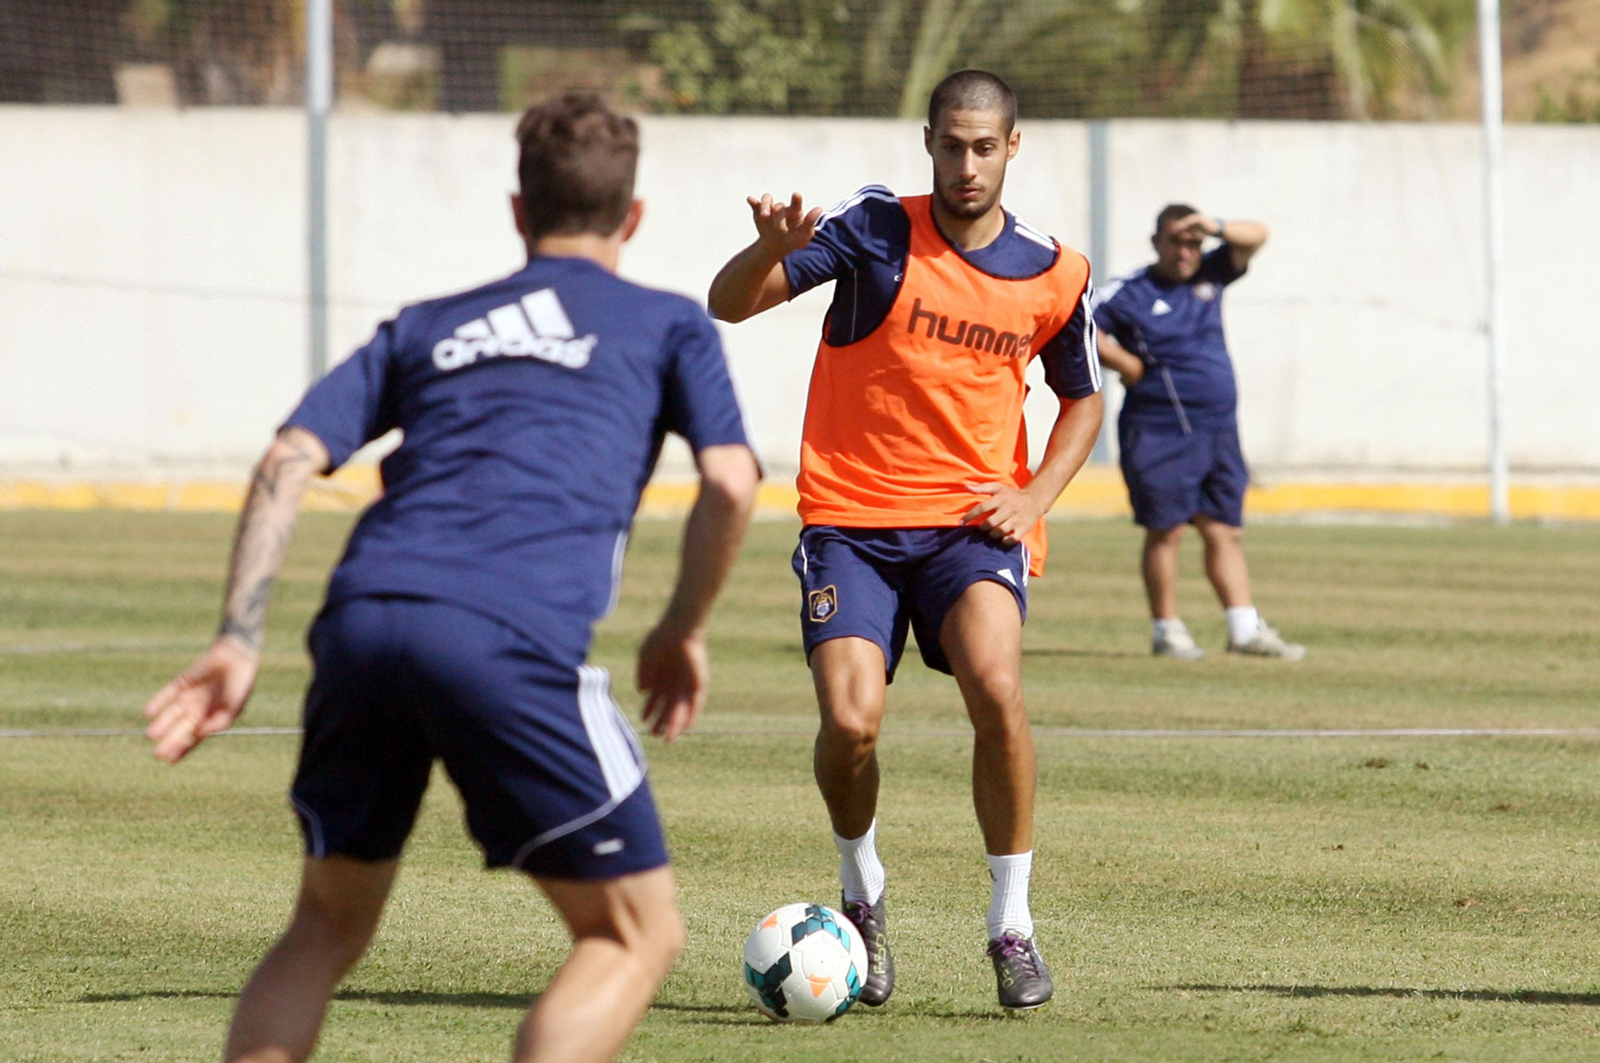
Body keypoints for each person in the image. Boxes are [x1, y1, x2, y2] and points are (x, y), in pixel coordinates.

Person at [142, 92, 760, 1063]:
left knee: (324, 927)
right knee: (635, 933)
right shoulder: (668, 324)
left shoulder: (428, 324)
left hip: (360, 617)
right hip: (499, 635)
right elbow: (730, 481)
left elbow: (287, 459)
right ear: (632, 217)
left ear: (518, 211)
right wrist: (681, 626)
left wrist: (238, 636)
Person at [706, 70, 1103, 1011]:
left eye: (985, 146)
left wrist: (1035, 493)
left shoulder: (1056, 270)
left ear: (1013, 148)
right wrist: (764, 249)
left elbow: (1084, 398)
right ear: (928, 141)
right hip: (850, 520)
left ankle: (1012, 924)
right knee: (850, 725)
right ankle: (862, 895)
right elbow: (730, 303)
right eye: (951, 144)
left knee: (997, 688)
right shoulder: (876, 227)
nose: (967, 164)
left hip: (971, 529)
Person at [1094, 206, 1304, 660]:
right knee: (1165, 530)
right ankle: (1167, 630)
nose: (1186, 251)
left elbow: (1258, 234)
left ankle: (1243, 629)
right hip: (1159, 429)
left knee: (1224, 530)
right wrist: (1125, 363)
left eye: (1194, 242)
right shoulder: (1131, 291)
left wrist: (1213, 227)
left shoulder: (1210, 275)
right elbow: (1080, 323)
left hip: (1217, 429)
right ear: (1156, 243)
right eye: (1176, 240)